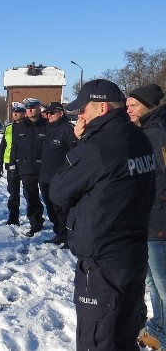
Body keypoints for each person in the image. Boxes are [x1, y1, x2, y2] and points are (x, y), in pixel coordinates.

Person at [50, 79, 155, 350]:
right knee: (124, 336)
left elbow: (59, 190)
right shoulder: (139, 138)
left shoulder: (98, 147)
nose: (79, 115)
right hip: (132, 255)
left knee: (97, 341)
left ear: (102, 108)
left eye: (83, 109)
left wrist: (78, 143)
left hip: (103, 264)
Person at [126, 84, 166, 350]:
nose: (128, 110)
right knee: (152, 282)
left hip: (158, 220)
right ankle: (158, 329)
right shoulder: (145, 132)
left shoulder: (157, 134)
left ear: (148, 107)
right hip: (146, 218)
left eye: (133, 106)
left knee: (163, 286)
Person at [39, 102, 77, 247]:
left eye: (51, 113)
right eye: (47, 113)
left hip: (61, 178)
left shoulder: (68, 129)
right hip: (45, 175)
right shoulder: (48, 128)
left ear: (60, 113)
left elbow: (75, 152)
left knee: (63, 209)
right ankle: (59, 234)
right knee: (51, 207)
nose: (48, 116)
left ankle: (69, 237)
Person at [11, 97, 48, 237]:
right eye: (28, 108)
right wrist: (13, 165)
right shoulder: (19, 126)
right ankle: (35, 223)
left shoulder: (46, 125)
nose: (30, 110)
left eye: (33, 107)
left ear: (39, 108)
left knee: (50, 198)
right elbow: (15, 147)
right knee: (31, 198)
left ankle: (60, 226)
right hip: (26, 169)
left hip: (44, 169)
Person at [0, 102, 26, 225]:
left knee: (29, 194)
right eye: (14, 111)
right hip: (10, 164)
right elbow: (2, 147)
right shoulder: (8, 128)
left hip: (25, 164)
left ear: (24, 113)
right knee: (13, 193)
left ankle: (35, 219)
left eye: (18, 111)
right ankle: (13, 217)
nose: (15, 114)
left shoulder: (29, 127)